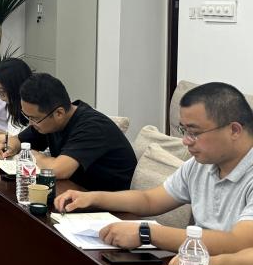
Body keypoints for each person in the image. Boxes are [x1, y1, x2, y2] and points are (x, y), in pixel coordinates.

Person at [56, 82, 253, 253]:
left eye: (194, 132)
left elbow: (240, 243)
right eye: (184, 130)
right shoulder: (200, 165)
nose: (185, 141)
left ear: (234, 130)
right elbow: (149, 200)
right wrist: (93, 198)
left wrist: (147, 233)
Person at [0, 73, 135, 191]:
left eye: (34, 118)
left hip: (107, 204)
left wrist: (34, 156)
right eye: (27, 116)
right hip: (73, 192)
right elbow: (18, 141)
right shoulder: (48, 121)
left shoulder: (92, 127)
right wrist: (9, 147)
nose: (31, 123)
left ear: (59, 113)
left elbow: (58, 170)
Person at [0, 58, 34, 151]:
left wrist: (6, 138)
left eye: (1, 90)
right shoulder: (12, 104)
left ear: (15, 88)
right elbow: (17, 135)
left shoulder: (32, 108)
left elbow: (34, 142)